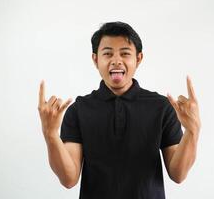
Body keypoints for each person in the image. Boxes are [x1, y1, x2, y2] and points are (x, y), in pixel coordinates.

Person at [38, 21, 201, 199]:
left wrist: (193, 131)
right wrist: (51, 134)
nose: (116, 60)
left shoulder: (161, 107)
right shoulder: (78, 110)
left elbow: (178, 174)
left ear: (138, 59)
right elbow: (68, 179)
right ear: (95, 59)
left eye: (125, 53)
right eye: (107, 53)